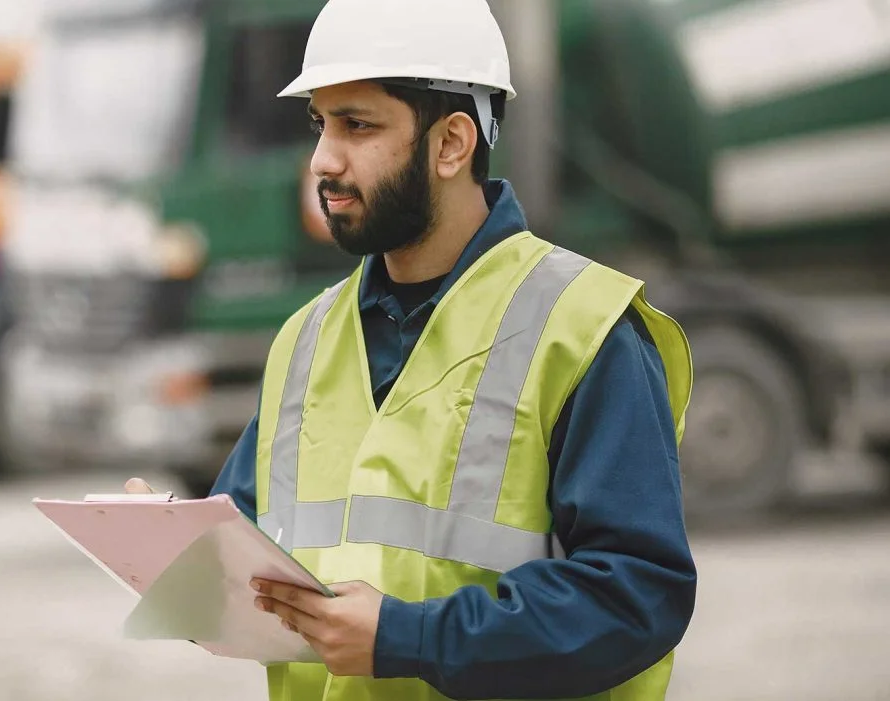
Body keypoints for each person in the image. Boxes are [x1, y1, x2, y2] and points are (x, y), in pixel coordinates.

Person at [126, 0, 697, 698]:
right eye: (320, 124)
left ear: (452, 143)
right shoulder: (305, 339)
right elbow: (253, 574)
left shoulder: (582, 328)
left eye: (357, 125)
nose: (322, 160)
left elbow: (638, 596)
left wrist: (410, 637)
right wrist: (175, 555)